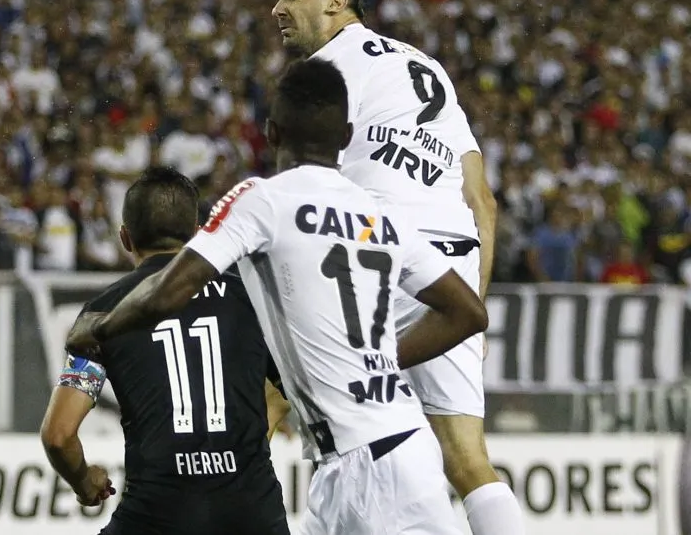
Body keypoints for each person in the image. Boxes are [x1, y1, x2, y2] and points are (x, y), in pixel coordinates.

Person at [68, 60, 488, 534]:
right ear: (347, 136)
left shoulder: (262, 200)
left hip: (368, 463)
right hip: (377, 454)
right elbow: (468, 312)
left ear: (271, 132)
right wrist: (380, 361)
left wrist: (99, 328)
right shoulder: (381, 214)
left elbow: (168, 292)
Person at [271, 0, 520, 535]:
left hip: (376, 254)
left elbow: (309, 177)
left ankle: (204, 508)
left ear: (337, 2)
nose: (277, 8)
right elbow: (482, 201)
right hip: (448, 272)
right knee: (469, 461)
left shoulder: (325, 70)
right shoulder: (426, 68)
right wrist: (470, 308)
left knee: (267, 395)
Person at [42, 166, 291, 535]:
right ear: (199, 233)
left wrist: (84, 482)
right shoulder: (252, 297)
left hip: (157, 514)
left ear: (125, 238)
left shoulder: (103, 313)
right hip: (253, 512)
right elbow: (286, 393)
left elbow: (58, 435)